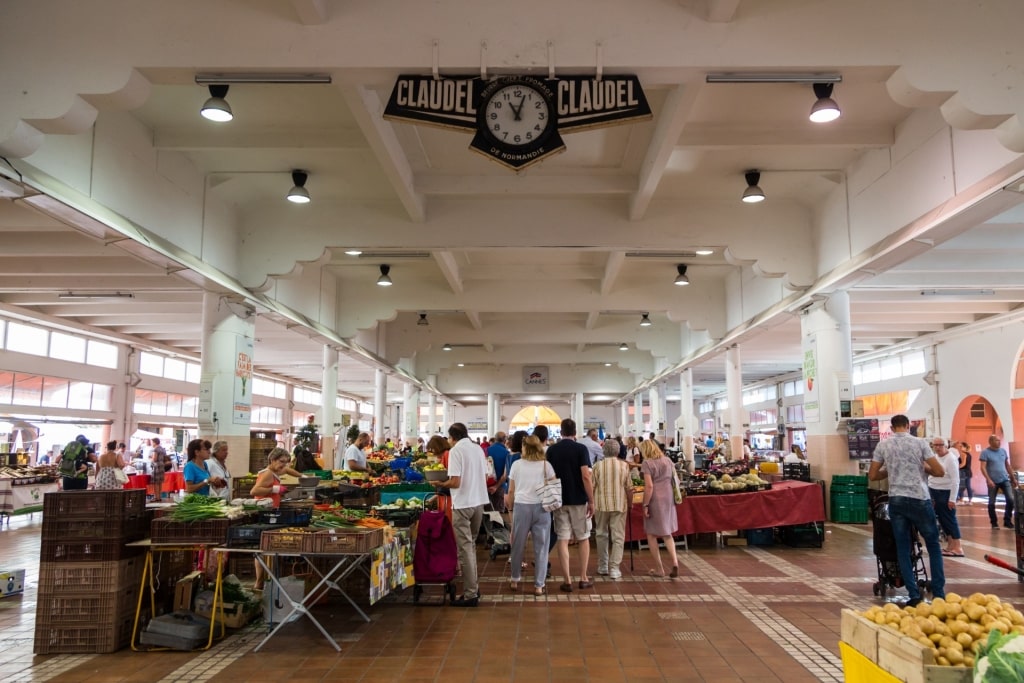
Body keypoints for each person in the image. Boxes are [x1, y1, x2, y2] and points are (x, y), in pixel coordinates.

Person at [868, 414, 946, 607]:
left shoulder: (883, 445)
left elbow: (873, 475)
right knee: (933, 545)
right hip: (919, 498)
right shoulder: (920, 443)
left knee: (903, 548)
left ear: (892, 428)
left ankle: (913, 595)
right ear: (908, 426)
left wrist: (892, 470)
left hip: (897, 500)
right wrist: (922, 467)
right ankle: (939, 593)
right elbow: (939, 472)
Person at [432, 423, 488, 607]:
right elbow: (485, 475)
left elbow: (455, 482)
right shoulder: (478, 449)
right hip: (478, 502)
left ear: (452, 437)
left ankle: (471, 594)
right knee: (470, 546)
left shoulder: (456, 451)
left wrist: (439, 484)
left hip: (463, 504)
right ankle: (474, 587)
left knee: (465, 549)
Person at [546, 418, 595, 592]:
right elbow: (586, 476)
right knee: (583, 537)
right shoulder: (581, 449)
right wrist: (591, 500)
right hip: (579, 499)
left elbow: (548, 475)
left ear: (561, 432)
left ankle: (567, 580)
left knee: (563, 539)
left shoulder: (552, 450)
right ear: (575, 432)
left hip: (559, 500)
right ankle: (583, 577)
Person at [505, 435, 554, 596]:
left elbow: (511, 490)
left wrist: (510, 508)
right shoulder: (546, 465)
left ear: (524, 448)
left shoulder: (516, 465)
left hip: (521, 507)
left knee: (518, 543)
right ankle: (539, 585)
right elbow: (553, 486)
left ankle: (514, 579)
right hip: (542, 508)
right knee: (541, 547)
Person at [250, 447, 304, 590]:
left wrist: (302, 476)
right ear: (272, 460)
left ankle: (265, 581)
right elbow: (254, 491)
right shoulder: (267, 474)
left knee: (267, 548)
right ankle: (259, 582)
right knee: (262, 549)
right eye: (281, 462)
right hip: (265, 514)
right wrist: (274, 490)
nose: (284, 465)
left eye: (286, 462)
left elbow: (287, 471)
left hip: (272, 512)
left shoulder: (276, 471)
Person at [593, 438, 632, 580]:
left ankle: (603, 566)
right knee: (618, 537)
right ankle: (614, 568)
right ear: (617, 451)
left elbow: (592, 486)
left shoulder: (597, 466)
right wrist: (631, 503)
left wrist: (590, 503)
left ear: (604, 450)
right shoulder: (624, 466)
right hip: (619, 504)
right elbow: (629, 488)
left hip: (601, 504)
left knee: (601, 534)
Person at [640, 439, 679, 578]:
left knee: (651, 534)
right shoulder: (667, 460)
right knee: (667, 533)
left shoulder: (647, 463)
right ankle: (675, 562)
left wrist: (645, 504)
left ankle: (659, 569)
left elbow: (649, 486)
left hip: (655, 499)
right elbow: (675, 479)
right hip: (668, 497)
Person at [928, 438, 963, 557]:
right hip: (935, 491)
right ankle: (950, 546)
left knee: (950, 519)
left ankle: (958, 547)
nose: (937, 447)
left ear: (946, 445)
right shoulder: (936, 457)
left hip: (946, 493)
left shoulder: (951, 459)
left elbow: (955, 480)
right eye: (935, 445)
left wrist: (952, 499)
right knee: (943, 520)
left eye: (940, 445)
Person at [979, 434, 1017, 529]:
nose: (999, 442)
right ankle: (994, 523)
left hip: (1004, 479)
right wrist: (988, 479)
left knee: (1011, 500)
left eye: (999, 440)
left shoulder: (1003, 451)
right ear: (991, 442)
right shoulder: (985, 452)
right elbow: (982, 467)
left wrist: (1013, 478)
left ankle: (1007, 521)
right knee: (991, 503)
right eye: (996, 440)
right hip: (992, 481)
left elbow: (1007, 465)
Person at [487, 432, 510, 512]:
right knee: (499, 513)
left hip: (487, 485)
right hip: (500, 486)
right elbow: (506, 474)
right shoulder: (506, 453)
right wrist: (496, 486)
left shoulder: (486, 450)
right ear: (504, 440)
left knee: (487, 512)